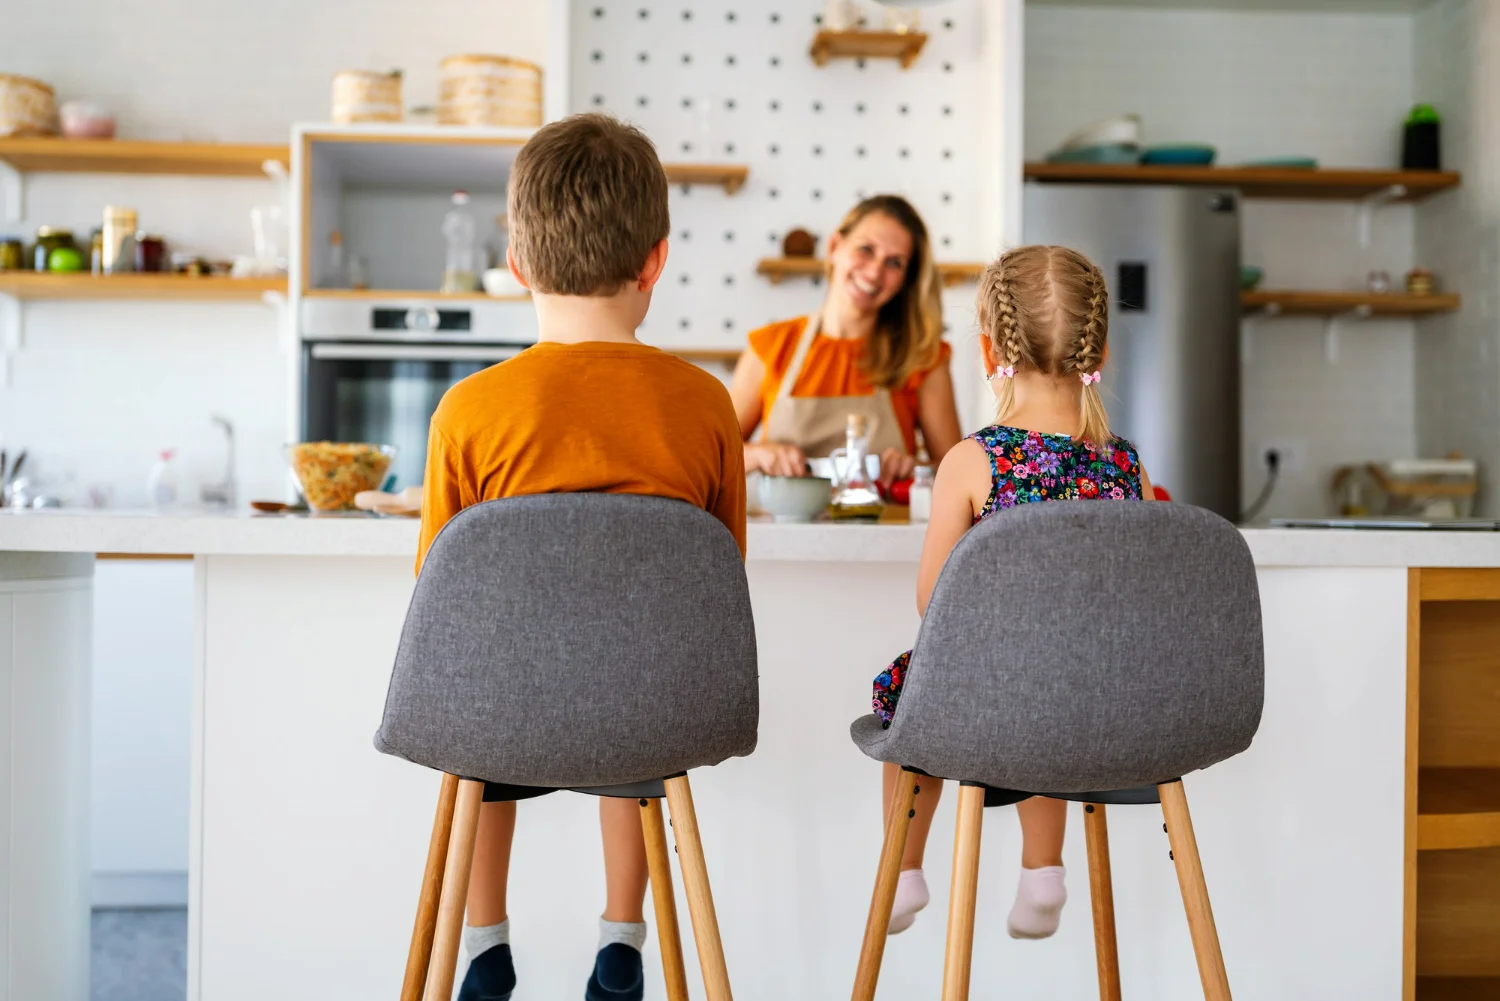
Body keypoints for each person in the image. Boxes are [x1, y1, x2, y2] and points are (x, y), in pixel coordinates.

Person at [417, 113, 746, 1001]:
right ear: (656, 261)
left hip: (501, 709)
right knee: (631, 682)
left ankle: (483, 945)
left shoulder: (468, 411)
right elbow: (718, 587)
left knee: (478, 721)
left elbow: (438, 605)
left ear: (516, 263)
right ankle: (622, 939)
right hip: (653, 706)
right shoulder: (707, 405)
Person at [870, 245, 1156, 940]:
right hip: (1103, 709)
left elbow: (933, 601)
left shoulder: (973, 462)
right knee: (1053, 688)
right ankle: (1043, 870)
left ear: (989, 347)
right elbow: (1138, 597)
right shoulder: (1127, 464)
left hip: (993, 704)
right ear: (1102, 349)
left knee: (909, 689)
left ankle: (904, 871)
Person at [729, 195, 963, 486]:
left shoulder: (922, 358)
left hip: (885, 530)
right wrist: (756, 455)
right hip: (785, 531)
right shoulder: (770, 347)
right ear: (834, 247)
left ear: (906, 279)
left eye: (894, 263)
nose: (875, 271)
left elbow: (956, 472)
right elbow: (717, 456)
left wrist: (916, 469)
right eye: (866, 249)